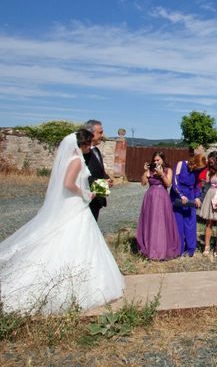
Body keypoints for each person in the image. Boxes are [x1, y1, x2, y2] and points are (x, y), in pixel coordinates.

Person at [0, 130, 124, 313]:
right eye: (87, 145)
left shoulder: (75, 158)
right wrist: (86, 194)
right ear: (79, 145)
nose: (90, 148)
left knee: (80, 241)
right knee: (71, 239)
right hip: (75, 206)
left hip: (76, 205)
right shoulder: (75, 160)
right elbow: (68, 184)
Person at [136, 151, 181, 260]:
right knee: (150, 221)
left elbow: (169, 184)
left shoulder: (168, 170)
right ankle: (150, 248)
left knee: (161, 222)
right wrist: (146, 170)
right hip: (150, 196)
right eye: (154, 160)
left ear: (163, 160)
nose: (156, 162)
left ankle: (161, 249)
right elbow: (143, 183)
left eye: (158, 160)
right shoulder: (150, 170)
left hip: (162, 197)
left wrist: (161, 174)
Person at [170, 153, 206, 257]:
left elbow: (196, 186)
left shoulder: (197, 171)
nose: (200, 169)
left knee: (190, 223)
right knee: (178, 224)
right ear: (195, 162)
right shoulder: (181, 164)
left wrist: (197, 197)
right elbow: (174, 181)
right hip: (178, 196)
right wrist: (181, 195)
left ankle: (190, 250)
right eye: (199, 167)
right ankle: (178, 250)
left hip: (189, 197)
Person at [82, 119, 113, 221]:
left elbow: (98, 170)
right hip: (86, 200)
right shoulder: (83, 152)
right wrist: (103, 184)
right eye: (100, 132)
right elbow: (82, 177)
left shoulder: (96, 150)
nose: (102, 135)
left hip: (96, 199)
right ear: (91, 133)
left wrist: (107, 178)